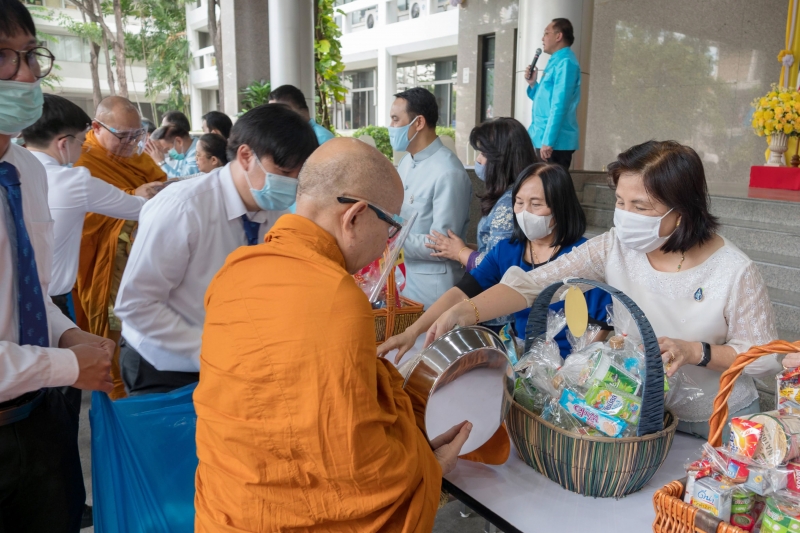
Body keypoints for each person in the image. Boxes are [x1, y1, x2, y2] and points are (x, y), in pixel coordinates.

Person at [194, 137, 471, 532]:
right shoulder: (336, 296)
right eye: (390, 227)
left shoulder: (235, 270)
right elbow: (359, 465)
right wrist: (430, 466)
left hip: (227, 505)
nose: (387, 243)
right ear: (355, 216)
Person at [428, 140, 783, 440]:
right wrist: (468, 310)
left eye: (640, 207)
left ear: (682, 211)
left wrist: (696, 351)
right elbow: (537, 283)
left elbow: (764, 358)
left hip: (719, 418)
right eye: (620, 202)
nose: (626, 216)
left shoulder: (733, 269)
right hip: (636, 412)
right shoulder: (615, 246)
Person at [0, 2, 114, 530]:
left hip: (38, 418)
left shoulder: (27, 170)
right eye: (3, 57)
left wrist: (68, 334)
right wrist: (67, 366)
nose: (25, 75)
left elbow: (30, 290)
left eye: (30, 55)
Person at [114, 104, 318, 396]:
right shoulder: (182, 208)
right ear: (245, 156)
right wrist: (212, 348)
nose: (291, 185)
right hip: (164, 366)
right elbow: (136, 305)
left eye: (298, 177)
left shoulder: (275, 212)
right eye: (284, 173)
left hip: (230, 361)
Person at [379, 162, 611, 359]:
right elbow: (461, 292)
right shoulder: (507, 251)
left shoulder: (584, 256)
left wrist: (572, 372)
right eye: (519, 202)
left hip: (568, 365)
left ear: (560, 207)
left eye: (536, 204)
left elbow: (599, 327)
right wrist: (413, 331)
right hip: (524, 360)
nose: (524, 212)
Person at [22, 94, 148, 420]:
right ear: (64, 143)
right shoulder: (73, 180)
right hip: (51, 306)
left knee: (28, 399)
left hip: (18, 307)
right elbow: (140, 208)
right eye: (82, 141)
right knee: (59, 402)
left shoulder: (14, 172)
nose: (84, 148)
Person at [74, 95, 165, 400]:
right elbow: (82, 218)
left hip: (144, 261)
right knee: (111, 336)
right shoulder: (82, 160)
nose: (131, 143)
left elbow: (158, 182)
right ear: (97, 127)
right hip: (106, 262)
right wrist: (133, 197)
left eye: (137, 135)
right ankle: (114, 390)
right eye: (123, 136)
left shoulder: (134, 157)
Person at [389, 87, 472, 308]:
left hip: (432, 289)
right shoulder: (406, 161)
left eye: (396, 120)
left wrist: (389, 239)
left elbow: (442, 245)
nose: (391, 127)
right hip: (403, 278)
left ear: (418, 122)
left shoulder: (448, 171)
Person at [425, 117, 537, 271]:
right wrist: (463, 248)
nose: (478, 159)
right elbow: (495, 249)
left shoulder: (509, 204)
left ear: (503, 158)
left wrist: (460, 252)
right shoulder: (512, 193)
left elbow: (499, 266)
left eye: (484, 153)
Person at [524, 18, 581, 169]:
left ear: (558, 36)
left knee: (549, 183)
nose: (542, 38)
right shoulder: (556, 61)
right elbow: (545, 101)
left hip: (554, 142)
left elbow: (560, 105)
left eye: (546, 33)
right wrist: (533, 84)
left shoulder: (566, 62)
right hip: (542, 137)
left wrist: (548, 141)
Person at [269, 84, 334, 145]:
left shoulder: (322, 138)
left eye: (282, 112)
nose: (277, 118)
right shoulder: (286, 137)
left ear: (304, 111)